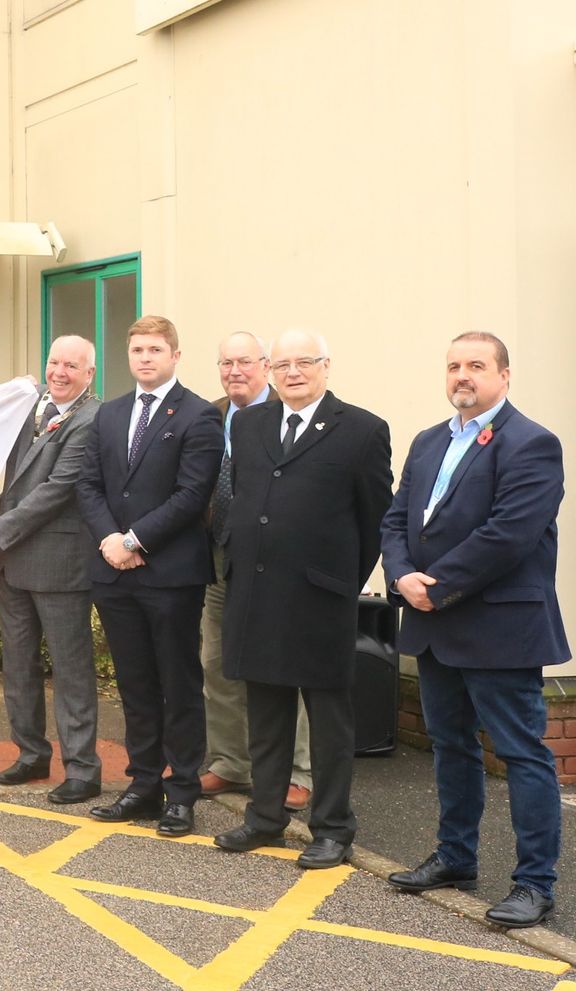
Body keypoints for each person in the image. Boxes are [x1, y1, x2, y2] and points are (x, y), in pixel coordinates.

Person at [382, 332, 567, 929]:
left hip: (498, 627)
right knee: (451, 746)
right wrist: (402, 574)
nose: (463, 376)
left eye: (477, 366)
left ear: (505, 376)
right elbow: (396, 518)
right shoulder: (431, 440)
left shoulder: (532, 443)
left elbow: (508, 535)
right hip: (434, 626)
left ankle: (535, 885)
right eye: (454, 365)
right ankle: (456, 857)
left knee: (520, 753)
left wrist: (432, 586)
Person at [212, 331, 391, 870]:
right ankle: (265, 818)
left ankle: (333, 829)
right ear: (272, 370)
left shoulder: (361, 430)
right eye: (284, 364)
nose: (293, 372)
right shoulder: (249, 423)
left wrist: (338, 579)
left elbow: (374, 521)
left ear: (326, 367)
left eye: (304, 363)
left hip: (320, 599)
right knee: (266, 715)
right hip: (255, 593)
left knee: (330, 723)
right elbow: (244, 498)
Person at [75, 315, 220, 837]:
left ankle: (181, 791)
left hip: (170, 575)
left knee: (177, 684)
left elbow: (191, 495)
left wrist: (135, 540)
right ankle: (142, 783)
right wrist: (111, 542)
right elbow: (88, 485)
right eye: (137, 349)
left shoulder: (200, 416)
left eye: (155, 349)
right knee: (135, 683)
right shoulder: (110, 415)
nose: (145, 358)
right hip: (114, 573)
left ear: (175, 356)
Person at [0, 334, 100, 804]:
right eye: (53, 362)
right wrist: (9, 395)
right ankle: (31, 754)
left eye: (71, 366)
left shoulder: (91, 418)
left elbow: (57, 490)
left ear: (89, 375)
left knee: (70, 670)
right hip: (14, 561)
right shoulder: (31, 408)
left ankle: (82, 769)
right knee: (18, 666)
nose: (59, 372)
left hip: (60, 563)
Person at [201, 331, 313, 810]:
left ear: (264, 366)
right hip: (219, 558)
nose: (234, 372)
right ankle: (230, 762)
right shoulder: (212, 415)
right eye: (226, 364)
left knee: (284, 665)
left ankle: (298, 771)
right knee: (217, 661)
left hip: (275, 563)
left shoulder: (282, 416)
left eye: (244, 362)